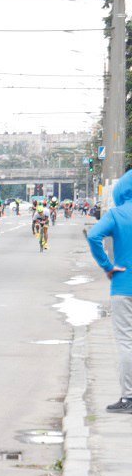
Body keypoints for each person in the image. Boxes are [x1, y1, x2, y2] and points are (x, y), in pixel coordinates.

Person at [87, 170, 132, 414]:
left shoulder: (117, 213)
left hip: (124, 286)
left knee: (126, 341)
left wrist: (107, 266)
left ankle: (129, 397)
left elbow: (94, 236)